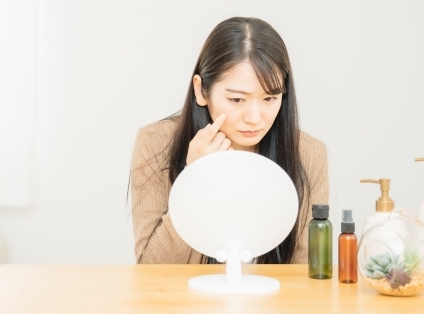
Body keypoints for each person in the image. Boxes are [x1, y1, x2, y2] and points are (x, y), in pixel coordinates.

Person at [130, 17, 329, 264]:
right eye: (237, 100)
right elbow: (151, 268)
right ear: (201, 90)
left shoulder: (309, 154)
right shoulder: (155, 143)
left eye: (270, 98)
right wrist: (194, 180)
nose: (254, 118)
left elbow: (306, 273)